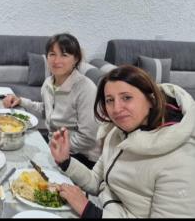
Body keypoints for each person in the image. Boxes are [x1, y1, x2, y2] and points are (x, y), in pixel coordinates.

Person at [50, 65, 195, 218]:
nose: (116, 108)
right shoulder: (117, 132)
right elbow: (96, 181)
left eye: (127, 97)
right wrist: (66, 161)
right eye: (110, 100)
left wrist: (89, 211)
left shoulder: (182, 160)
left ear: (151, 99)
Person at [3, 33, 101, 168]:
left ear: (76, 59)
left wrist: (53, 148)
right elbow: (48, 109)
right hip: (55, 145)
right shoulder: (49, 82)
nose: (56, 61)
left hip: (81, 157)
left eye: (64, 55)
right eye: (52, 54)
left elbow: (88, 138)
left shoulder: (85, 89)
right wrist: (21, 101)